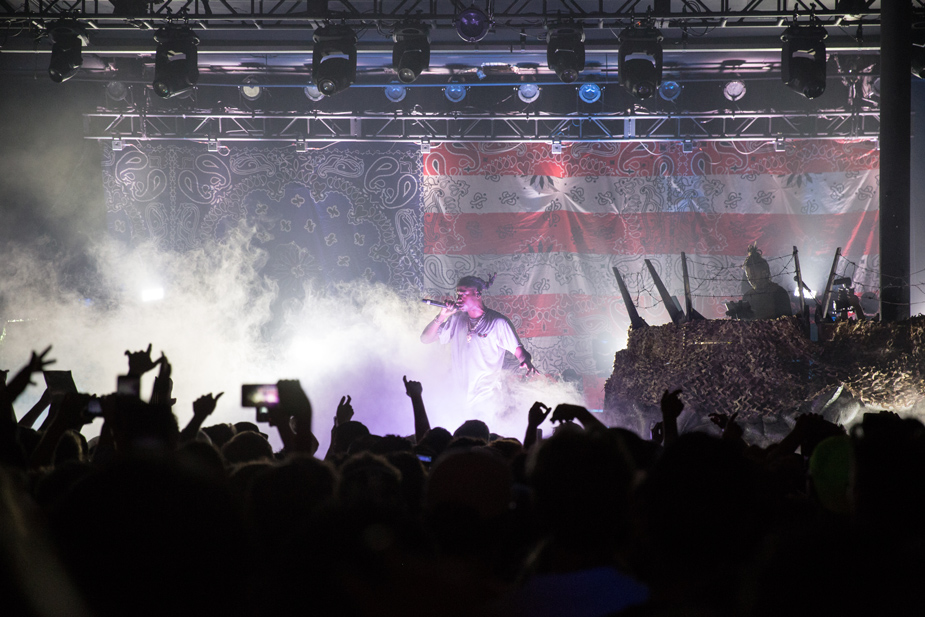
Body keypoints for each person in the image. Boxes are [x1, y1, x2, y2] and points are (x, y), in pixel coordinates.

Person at [420, 274, 537, 412]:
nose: (458, 298)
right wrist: (442, 316)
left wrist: (526, 361)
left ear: (477, 294)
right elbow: (425, 339)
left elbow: (520, 352)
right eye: (457, 294)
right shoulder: (456, 319)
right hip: (458, 399)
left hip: (486, 401)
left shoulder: (498, 322)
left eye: (463, 294)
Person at [741, 244, 792, 320]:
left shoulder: (778, 293)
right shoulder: (747, 296)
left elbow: (786, 322)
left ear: (764, 273)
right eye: (748, 276)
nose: (751, 279)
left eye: (754, 275)